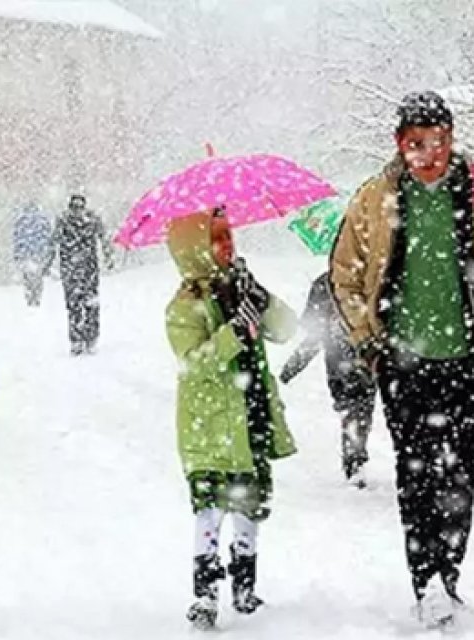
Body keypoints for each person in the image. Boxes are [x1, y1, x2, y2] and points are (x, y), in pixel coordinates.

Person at [329, 91, 474, 627]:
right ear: (400, 144)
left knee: (461, 474)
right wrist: (368, 338)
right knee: (416, 474)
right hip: (403, 363)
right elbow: (344, 274)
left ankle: (449, 572)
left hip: (470, 360)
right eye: (417, 143)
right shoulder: (376, 199)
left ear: (453, 139)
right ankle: (426, 580)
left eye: (439, 141)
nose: (430, 153)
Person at [164, 208, 298, 631]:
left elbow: (286, 328)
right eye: (216, 239)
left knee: (248, 506)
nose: (227, 245)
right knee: (209, 509)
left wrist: (259, 299)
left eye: (228, 236)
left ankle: (245, 583)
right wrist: (232, 334)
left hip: (251, 414)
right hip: (212, 425)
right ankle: (205, 591)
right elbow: (193, 362)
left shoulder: (240, 290)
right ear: (195, 250)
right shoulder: (185, 307)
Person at [279, 271, 376, 487]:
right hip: (361, 357)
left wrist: (292, 367)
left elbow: (314, 336)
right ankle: (355, 457)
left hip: (342, 361)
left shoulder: (325, 283)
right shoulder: (369, 279)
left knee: (353, 408)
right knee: (359, 408)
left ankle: (354, 457)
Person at [56, 194, 110, 355]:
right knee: (83, 304)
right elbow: (104, 238)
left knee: (80, 304)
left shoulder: (65, 220)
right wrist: (108, 255)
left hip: (75, 268)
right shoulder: (91, 219)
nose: (77, 211)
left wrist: (108, 254)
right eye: (75, 207)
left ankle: (81, 339)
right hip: (85, 268)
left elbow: (53, 241)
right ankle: (85, 338)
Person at [12, 202, 54, 307]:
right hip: (39, 253)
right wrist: (47, 252)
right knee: (38, 276)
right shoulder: (43, 220)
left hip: (25, 253)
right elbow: (47, 236)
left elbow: (17, 238)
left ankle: (30, 295)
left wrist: (17, 253)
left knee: (27, 276)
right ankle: (37, 295)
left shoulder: (21, 221)